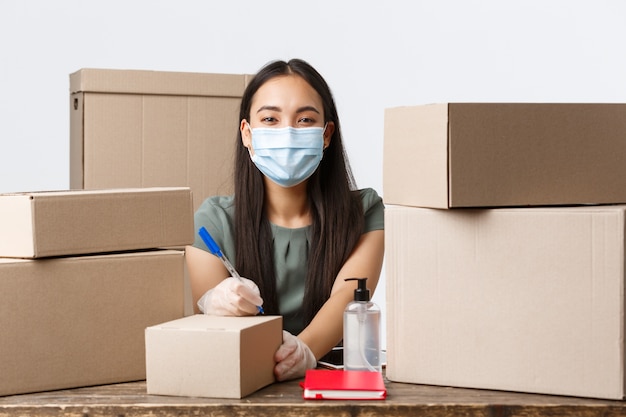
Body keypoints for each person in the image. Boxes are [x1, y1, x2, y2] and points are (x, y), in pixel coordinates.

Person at [185, 58, 384, 381]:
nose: (288, 132)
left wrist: (304, 351)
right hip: (245, 381)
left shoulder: (364, 211)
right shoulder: (213, 220)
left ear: (326, 134)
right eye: (270, 119)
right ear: (247, 134)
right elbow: (210, 322)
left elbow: (349, 296)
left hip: (335, 382)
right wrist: (215, 301)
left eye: (305, 119)